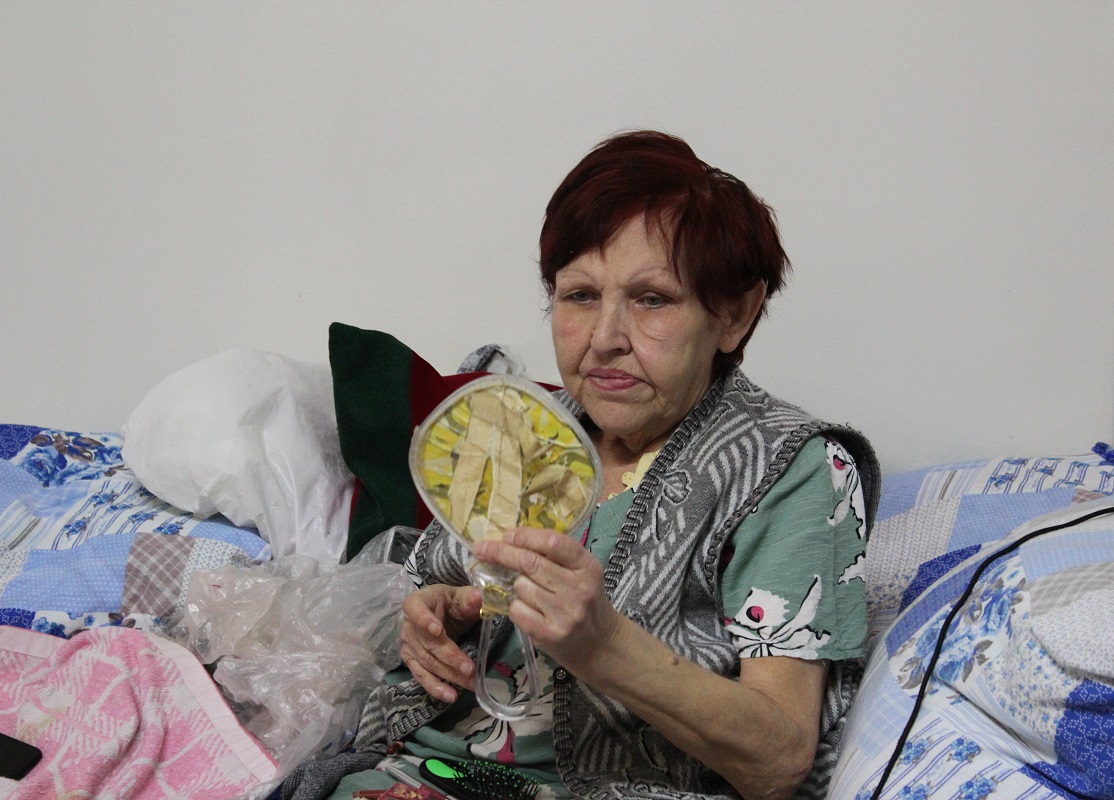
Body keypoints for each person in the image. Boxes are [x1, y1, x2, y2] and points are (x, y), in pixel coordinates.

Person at [333, 130, 879, 800]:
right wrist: (436, 617)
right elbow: (435, 585)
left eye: (652, 299)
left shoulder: (788, 468)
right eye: (581, 295)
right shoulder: (522, 430)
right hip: (408, 774)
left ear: (733, 315)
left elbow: (780, 758)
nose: (604, 338)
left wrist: (601, 645)